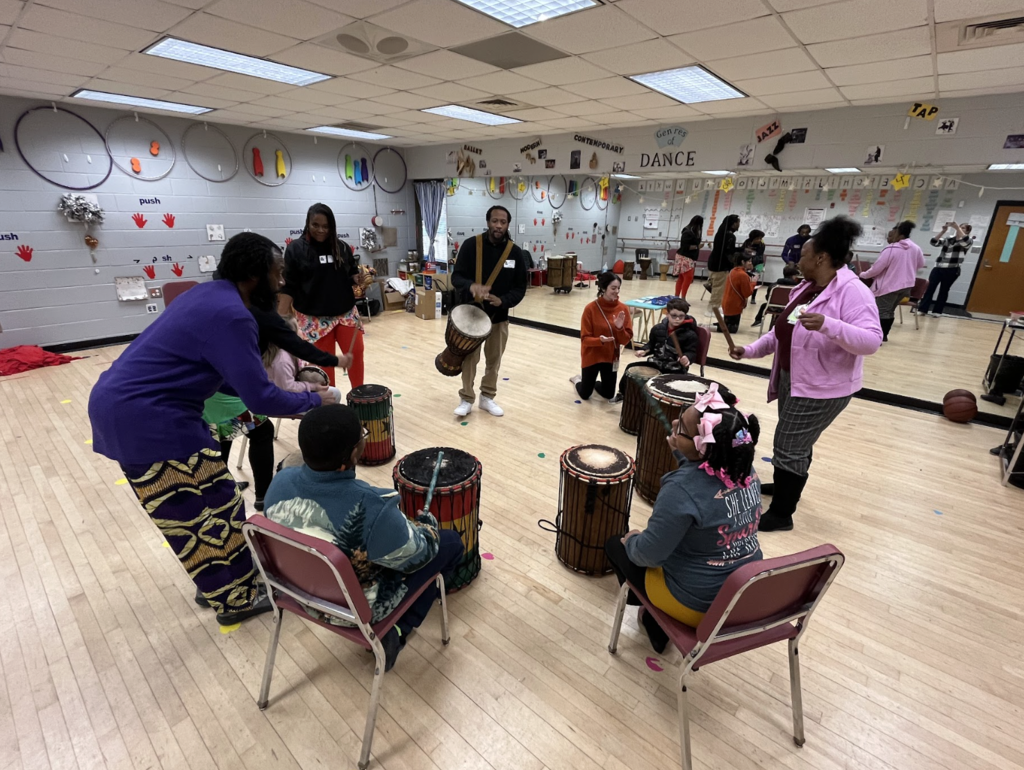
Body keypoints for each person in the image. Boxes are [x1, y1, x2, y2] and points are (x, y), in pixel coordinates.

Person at [88, 233, 336, 626]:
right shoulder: (233, 314)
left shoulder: (209, 296)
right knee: (197, 512)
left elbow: (223, 377)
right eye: (277, 273)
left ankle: (227, 580)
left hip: (136, 408)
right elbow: (261, 402)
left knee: (216, 501)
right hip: (146, 418)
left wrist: (277, 387)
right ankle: (232, 598)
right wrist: (312, 400)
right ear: (255, 277)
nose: (282, 282)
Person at [264, 405, 464, 671]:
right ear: (353, 454)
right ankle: (397, 631)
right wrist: (427, 527)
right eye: (363, 436)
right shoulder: (371, 506)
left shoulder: (280, 481)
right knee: (449, 543)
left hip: (297, 593)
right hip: (355, 611)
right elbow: (420, 554)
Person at [729, 217, 882, 532]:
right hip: (795, 378)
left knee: (788, 445)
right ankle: (785, 484)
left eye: (804, 255)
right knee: (795, 443)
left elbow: (871, 341)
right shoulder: (808, 287)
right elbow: (781, 333)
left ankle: (782, 513)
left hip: (822, 387)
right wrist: (749, 350)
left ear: (821, 258)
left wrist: (829, 324)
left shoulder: (852, 291)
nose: (798, 259)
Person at [604, 383, 762, 651]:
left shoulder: (680, 490)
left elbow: (649, 556)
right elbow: (706, 488)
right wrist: (683, 451)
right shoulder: (743, 466)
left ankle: (655, 619)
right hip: (743, 594)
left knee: (615, 544)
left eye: (682, 429)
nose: (675, 422)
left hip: (697, 606)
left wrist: (631, 540)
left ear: (703, 448)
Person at [451, 205, 528, 417]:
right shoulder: (470, 245)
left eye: (503, 222)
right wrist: (471, 286)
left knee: (494, 360)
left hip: (499, 317)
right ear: (488, 222)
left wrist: (503, 301)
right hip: (471, 316)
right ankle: (466, 397)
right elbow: (456, 277)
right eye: (495, 221)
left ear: (507, 225)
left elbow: (521, 288)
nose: (498, 226)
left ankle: (487, 397)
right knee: (469, 359)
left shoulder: (515, 252)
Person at [278, 203, 362, 388]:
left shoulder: (341, 247)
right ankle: (329, 409)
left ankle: (359, 400)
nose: (321, 230)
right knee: (324, 367)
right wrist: (278, 322)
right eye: (315, 225)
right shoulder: (296, 249)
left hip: (345, 313)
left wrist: (359, 277)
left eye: (326, 226)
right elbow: (288, 286)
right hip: (313, 317)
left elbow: (351, 274)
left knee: (355, 356)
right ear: (307, 223)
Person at [609, 298, 699, 403]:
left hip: (675, 368)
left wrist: (687, 358)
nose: (677, 319)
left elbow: (691, 352)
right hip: (656, 363)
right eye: (674, 315)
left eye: (681, 316)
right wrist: (644, 350)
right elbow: (651, 345)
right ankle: (623, 394)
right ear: (667, 314)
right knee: (630, 368)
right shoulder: (658, 329)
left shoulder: (690, 335)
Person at [858, 220, 925, 342]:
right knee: (890, 311)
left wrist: (863, 274)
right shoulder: (916, 248)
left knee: (881, 311)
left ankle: (878, 336)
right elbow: (921, 264)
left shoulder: (891, 249)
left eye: (890, 235)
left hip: (889, 286)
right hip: (906, 287)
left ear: (900, 236)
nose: (888, 238)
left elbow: (876, 269)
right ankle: (884, 336)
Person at [571, 272, 633, 401]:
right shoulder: (590, 309)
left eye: (618, 288)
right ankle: (577, 380)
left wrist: (619, 328)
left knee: (608, 394)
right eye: (613, 288)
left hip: (610, 357)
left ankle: (593, 383)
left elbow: (625, 340)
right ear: (604, 288)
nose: (616, 291)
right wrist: (600, 340)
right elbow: (585, 340)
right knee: (585, 394)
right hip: (592, 355)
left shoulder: (623, 309)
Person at [919, 221, 974, 316]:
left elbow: (965, 242)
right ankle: (923, 309)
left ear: (968, 232)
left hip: (952, 269)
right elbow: (933, 242)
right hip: (939, 267)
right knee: (930, 288)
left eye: (963, 228)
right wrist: (943, 231)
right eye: (960, 227)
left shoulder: (967, 241)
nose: (960, 228)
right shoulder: (949, 239)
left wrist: (957, 228)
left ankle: (937, 311)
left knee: (944, 290)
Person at [707, 215, 740, 314]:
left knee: (718, 289)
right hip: (720, 266)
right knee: (718, 290)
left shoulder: (720, 233)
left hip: (714, 264)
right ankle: (712, 309)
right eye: (738, 223)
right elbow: (729, 252)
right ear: (733, 224)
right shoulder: (729, 236)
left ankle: (715, 308)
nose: (739, 225)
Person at [719, 252, 755, 333]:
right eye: (749, 261)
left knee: (727, 325)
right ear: (743, 262)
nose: (751, 263)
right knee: (731, 330)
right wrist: (753, 283)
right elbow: (747, 293)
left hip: (727, 302)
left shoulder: (732, 271)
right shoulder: (743, 275)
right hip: (735, 305)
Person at [675, 216, 703, 299]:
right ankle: (682, 298)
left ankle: (677, 297)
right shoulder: (687, 232)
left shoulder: (693, 231)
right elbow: (684, 246)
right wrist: (697, 247)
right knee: (688, 278)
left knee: (682, 277)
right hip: (685, 257)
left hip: (687, 257)